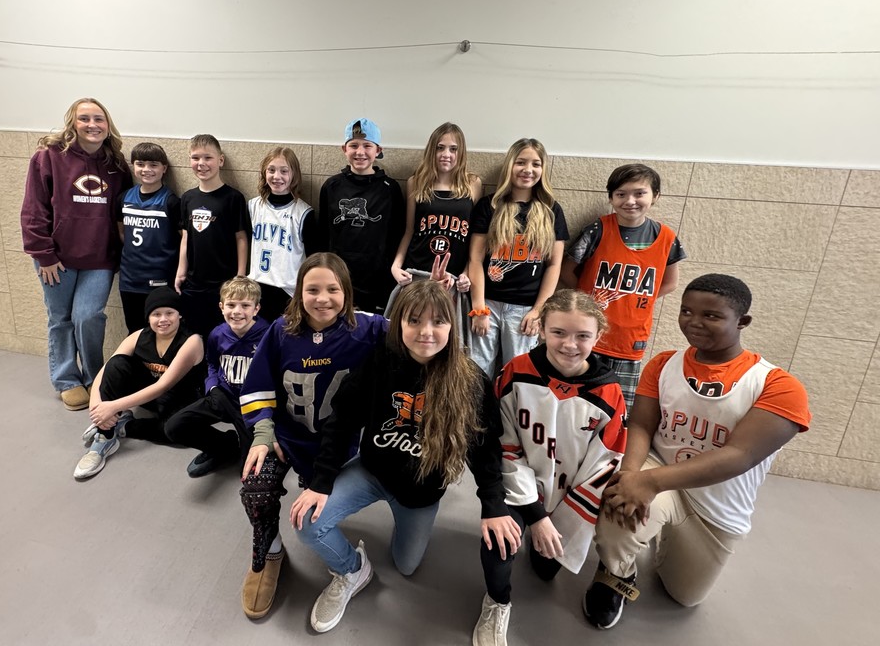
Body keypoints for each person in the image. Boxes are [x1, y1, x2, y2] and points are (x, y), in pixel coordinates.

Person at [582, 274, 811, 630]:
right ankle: (616, 572)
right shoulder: (663, 364)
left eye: (711, 315)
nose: (694, 322)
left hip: (716, 502)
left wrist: (649, 482)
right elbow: (641, 426)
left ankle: (663, 542)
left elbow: (740, 455)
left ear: (743, 321)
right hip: (661, 471)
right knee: (618, 503)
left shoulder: (779, 386)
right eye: (686, 311)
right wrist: (631, 475)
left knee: (685, 595)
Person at [289, 280, 514, 633]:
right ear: (399, 324)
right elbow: (342, 421)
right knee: (307, 522)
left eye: (438, 321)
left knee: (406, 565)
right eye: (414, 321)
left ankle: (405, 522)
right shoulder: (380, 360)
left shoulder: (471, 380)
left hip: (419, 492)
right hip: (371, 471)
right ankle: (353, 570)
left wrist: (493, 505)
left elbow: (484, 449)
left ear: (452, 326)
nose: (426, 332)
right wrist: (320, 482)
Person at [237, 252, 388, 619]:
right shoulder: (280, 331)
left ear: (347, 291)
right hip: (288, 440)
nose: (323, 299)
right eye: (312, 289)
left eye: (333, 289)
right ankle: (270, 552)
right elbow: (258, 384)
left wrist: (434, 294)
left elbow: (418, 332)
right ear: (298, 292)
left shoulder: (368, 329)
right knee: (255, 487)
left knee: (318, 511)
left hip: (343, 446)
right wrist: (263, 432)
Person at [474, 289, 627, 646]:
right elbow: (505, 446)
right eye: (558, 332)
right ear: (541, 329)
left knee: (545, 570)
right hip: (519, 487)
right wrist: (536, 515)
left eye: (582, 335)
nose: (569, 345)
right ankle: (497, 601)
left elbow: (605, 463)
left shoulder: (608, 392)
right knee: (499, 542)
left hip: (570, 497)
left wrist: (562, 520)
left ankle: (549, 537)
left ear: (598, 336)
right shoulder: (515, 372)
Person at [21, 97, 129, 411]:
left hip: (99, 259)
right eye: (84, 119)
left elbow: (121, 214)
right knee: (60, 319)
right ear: (73, 123)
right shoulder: (48, 157)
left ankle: (95, 377)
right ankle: (67, 380)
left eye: (99, 119)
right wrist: (43, 254)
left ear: (107, 125)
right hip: (57, 260)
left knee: (89, 317)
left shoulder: (116, 164)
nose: (92, 125)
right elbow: (33, 209)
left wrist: (121, 254)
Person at [561, 163, 686, 410]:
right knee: (575, 405)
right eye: (621, 194)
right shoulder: (597, 230)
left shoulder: (666, 238)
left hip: (630, 340)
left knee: (617, 409)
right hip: (589, 336)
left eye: (639, 193)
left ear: (655, 196)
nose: (630, 201)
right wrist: (587, 299)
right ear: (611, 198)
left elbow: (670, 282)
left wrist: (635, 299)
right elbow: (566, 271)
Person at [73, 287, 204, 480]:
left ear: (179, 315)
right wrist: (97, 406)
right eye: (156, 314)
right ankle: (104, 436)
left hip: (179, 398)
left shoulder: (192, 341)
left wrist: (113, 407)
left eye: (169, 313)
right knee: (117, 364)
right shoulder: (139, 336)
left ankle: (124, 425)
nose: (163, 319)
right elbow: (108, 367)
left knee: (179, 431)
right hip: (149, 397)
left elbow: (163, 386)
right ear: (148, 317)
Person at [466, 138, 569, 377]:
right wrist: (478, 307)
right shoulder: (490, 206)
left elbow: (554, 264)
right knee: (477, 371)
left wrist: (539, 310)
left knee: (519, 373)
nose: (528, 169)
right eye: (521, 162)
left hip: (525, 310)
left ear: (543, 169)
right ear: (510, 165)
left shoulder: (551, 210)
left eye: (536, 164)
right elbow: (475, 260)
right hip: (488, 304)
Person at [164, 277, 270, 477]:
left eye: (245, 305)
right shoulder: (217, 334)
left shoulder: (268, 335)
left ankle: (249, 446)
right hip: (223, 395)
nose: (237, 311)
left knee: (250, 470)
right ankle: (223, 445)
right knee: (174, 427)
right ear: (221, 307)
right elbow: (212, 363)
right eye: (231, 305)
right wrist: (212, 386)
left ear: (256, 309)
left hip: (253, 404)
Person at [318, 118, 405, 314]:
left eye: (367, 146)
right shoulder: (331, 187)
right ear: (344, 149)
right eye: (354, 145)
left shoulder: (390, 189)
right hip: (339, 277)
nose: (360, 152)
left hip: (378, 280)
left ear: (378, 150)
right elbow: (323, 235)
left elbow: (398, 234)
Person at [390, 122, 481, 306]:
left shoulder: (472, 183)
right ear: (432, 150)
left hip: (452, 278)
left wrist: (466, 273)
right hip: (418, 273)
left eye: (453, 149)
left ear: (461, 153)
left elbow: (473, 238)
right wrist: (396, 266)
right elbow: (409, 230)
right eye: (440, 148)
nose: (446, 154)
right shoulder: (416, 182)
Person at [175, 134, 251, 340]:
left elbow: (241, 238)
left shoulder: (233, 198)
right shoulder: (188, 198)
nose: (201, 163)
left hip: (224, 283)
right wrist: (181, 271)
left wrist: (240, 275)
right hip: (194, 283)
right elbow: (185, 237)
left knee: (221, 336)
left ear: (220, 160)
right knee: (194, 336)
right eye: (195, 158)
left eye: (208, 157)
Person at [117, 142, 181, 333]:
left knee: (160, 332)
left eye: (153, 165)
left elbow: (183, 240)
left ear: (164, 168)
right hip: (130, 279)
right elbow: (122, 232)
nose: (146, 169)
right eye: (140, 164)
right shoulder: (124, 198)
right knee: (134, 330)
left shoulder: (171, 201)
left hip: (160, 279)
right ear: (133, 166)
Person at [247, 147, 315, 322]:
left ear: (294, 175)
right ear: (264, 172)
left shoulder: (304, 212)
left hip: (288, 292)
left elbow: (313, 258)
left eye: (284, 171)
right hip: (255, 289)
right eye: (271, 170)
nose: (276, 176)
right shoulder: (253, 206)